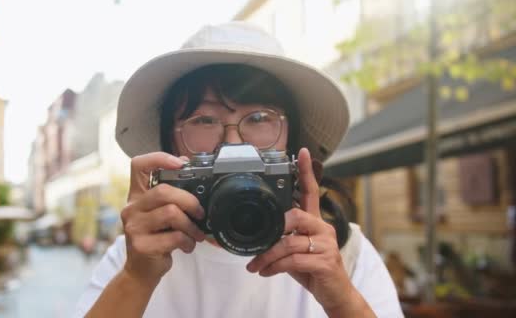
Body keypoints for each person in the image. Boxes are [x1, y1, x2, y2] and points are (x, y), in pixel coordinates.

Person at [74, 22, 403, 318]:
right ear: (168, 149)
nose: (232, 145)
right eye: (203, 120)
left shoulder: (346, 252)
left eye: (260, 118)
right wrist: (136, 278)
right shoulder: (137, 257)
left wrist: (340, 298)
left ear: (292, 145)